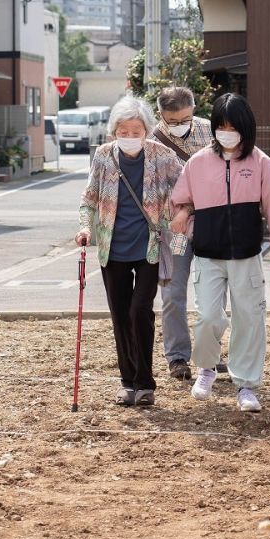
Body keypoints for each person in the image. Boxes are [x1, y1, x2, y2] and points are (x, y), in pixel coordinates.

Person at [170, 94, 270, 412]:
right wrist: (186, 218)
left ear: (245, 129)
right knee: (208, 316)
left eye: (232, 127)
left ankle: (246, 385)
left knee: (249, 319)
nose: (226, 132)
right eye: (220, 126)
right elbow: (180, 201)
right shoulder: (197, 163)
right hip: (208, 255)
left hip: (247, 256)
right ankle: (207, 369)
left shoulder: (261, 163)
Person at [76, 95, 183, 407]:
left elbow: (188, 182)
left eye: (136, 130)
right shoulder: (103, 156)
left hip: (149, 245)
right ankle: (128, 381)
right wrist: (85, 226)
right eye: (124, 130)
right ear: (114, 131)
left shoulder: (161, 156)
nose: (130, 136)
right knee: (120, 316)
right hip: (113, 246)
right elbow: (89, 197)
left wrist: (182, 211)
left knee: (140, 311)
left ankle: (145, 382)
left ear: (146, 130)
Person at [150, 86, 215, 382]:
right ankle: (177, 357)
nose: (179, 125)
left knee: (212, 294)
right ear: (160, 115)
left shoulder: (209, 132)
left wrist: (187, 207)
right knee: (173, 293)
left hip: (208, 224)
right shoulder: (152, 140)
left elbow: (217, 180)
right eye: (172, 121)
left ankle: (209, 356)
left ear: (193, 109)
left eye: (184, 118)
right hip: (172, 229)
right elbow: (152, 192)